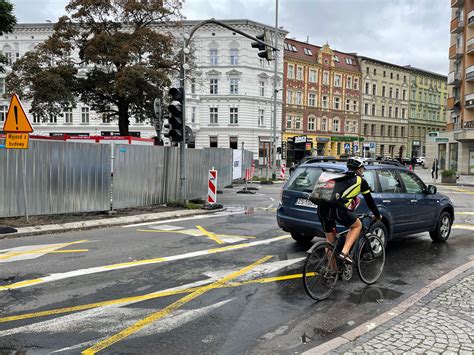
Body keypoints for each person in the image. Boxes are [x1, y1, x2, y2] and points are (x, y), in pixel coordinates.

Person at [316, 157, 382, 264]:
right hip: (337, 209)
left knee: (330, 243)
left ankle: (332, 271)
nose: (363, 171)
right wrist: (377, 215)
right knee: (357, 225)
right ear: (359, 169)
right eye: (362, 169)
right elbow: (370, 201)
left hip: (322, 209)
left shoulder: (339, 176)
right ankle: (345, 253)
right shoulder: (361, 181)